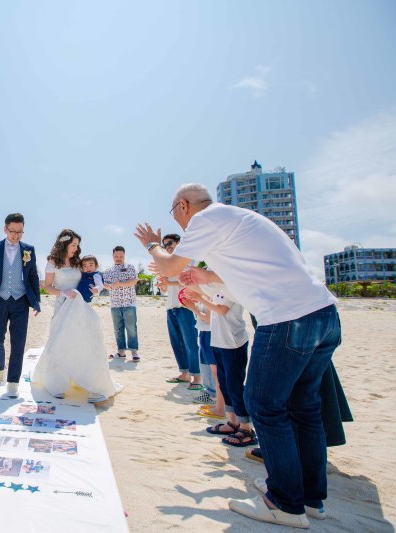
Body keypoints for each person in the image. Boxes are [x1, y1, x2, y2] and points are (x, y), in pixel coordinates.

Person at [135, 183, 340, 528]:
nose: (180, 223)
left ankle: (285, 503)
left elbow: (169, 266)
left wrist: (153, 245)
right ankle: (309, 498)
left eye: (175, 213)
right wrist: (204, 275)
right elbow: (243, 273)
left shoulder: (206, 219)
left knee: (263, 404)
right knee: (303, 408)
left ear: (183, 206)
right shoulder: (243, 219)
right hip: (323, 315)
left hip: (287, 319)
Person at [32, 230, 119, 403]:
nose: (76, 248)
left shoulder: (79, 262)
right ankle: (57, 384)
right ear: (64, 244)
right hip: (63, 306)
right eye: (73, 245)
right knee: (60, 342)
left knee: (86, 342)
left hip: (80, 307)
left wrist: (96, 289)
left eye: (77, 245)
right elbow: (48, 287)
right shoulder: (52, 262)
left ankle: (93, 384)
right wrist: (63, 292)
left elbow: (91, 277)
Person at [0, 213, 41, 399]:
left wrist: (36, 301)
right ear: (5, 229)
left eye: (20, 232)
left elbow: (33, 276)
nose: (16, 235)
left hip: (21, 301)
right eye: (13, 231)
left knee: (18, 343)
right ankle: (0, 368)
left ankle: (13, 383)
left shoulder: (29, 249)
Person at [184, 285, 255, 447]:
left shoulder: (229, 285)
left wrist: (200, 299)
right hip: (218, 341)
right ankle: (232, 423)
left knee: (235, 385)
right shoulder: (215, 289)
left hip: (233, 342)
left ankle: (246, 428)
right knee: (224, 384)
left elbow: (221, 310)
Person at [158, 234, 201, 389]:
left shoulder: (188, 259)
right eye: (165, 245)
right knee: (177, 343)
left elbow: (191, 281)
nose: (168, 246)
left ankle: (197, 376)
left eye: (170, 243)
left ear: (179, 243)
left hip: (186, 306)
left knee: (190, 342)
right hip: (171, 307)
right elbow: (164, 288)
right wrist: (163, 282)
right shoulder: (168, 265)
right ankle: (184, 373)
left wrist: (169, 282)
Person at [102, 246, 140, 362]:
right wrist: (109, 286)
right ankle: (121, 352)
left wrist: (120, 284)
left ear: (124, 256)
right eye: (116, 256)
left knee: (131, 328)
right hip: (115, 304)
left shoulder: (130, 267)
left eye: (121, 256)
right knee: (118, 329)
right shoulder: (108, 271)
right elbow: (105, 284)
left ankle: (134, 352)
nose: (118, 258)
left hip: (129, 302)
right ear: (112, 256)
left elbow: (134, 281)